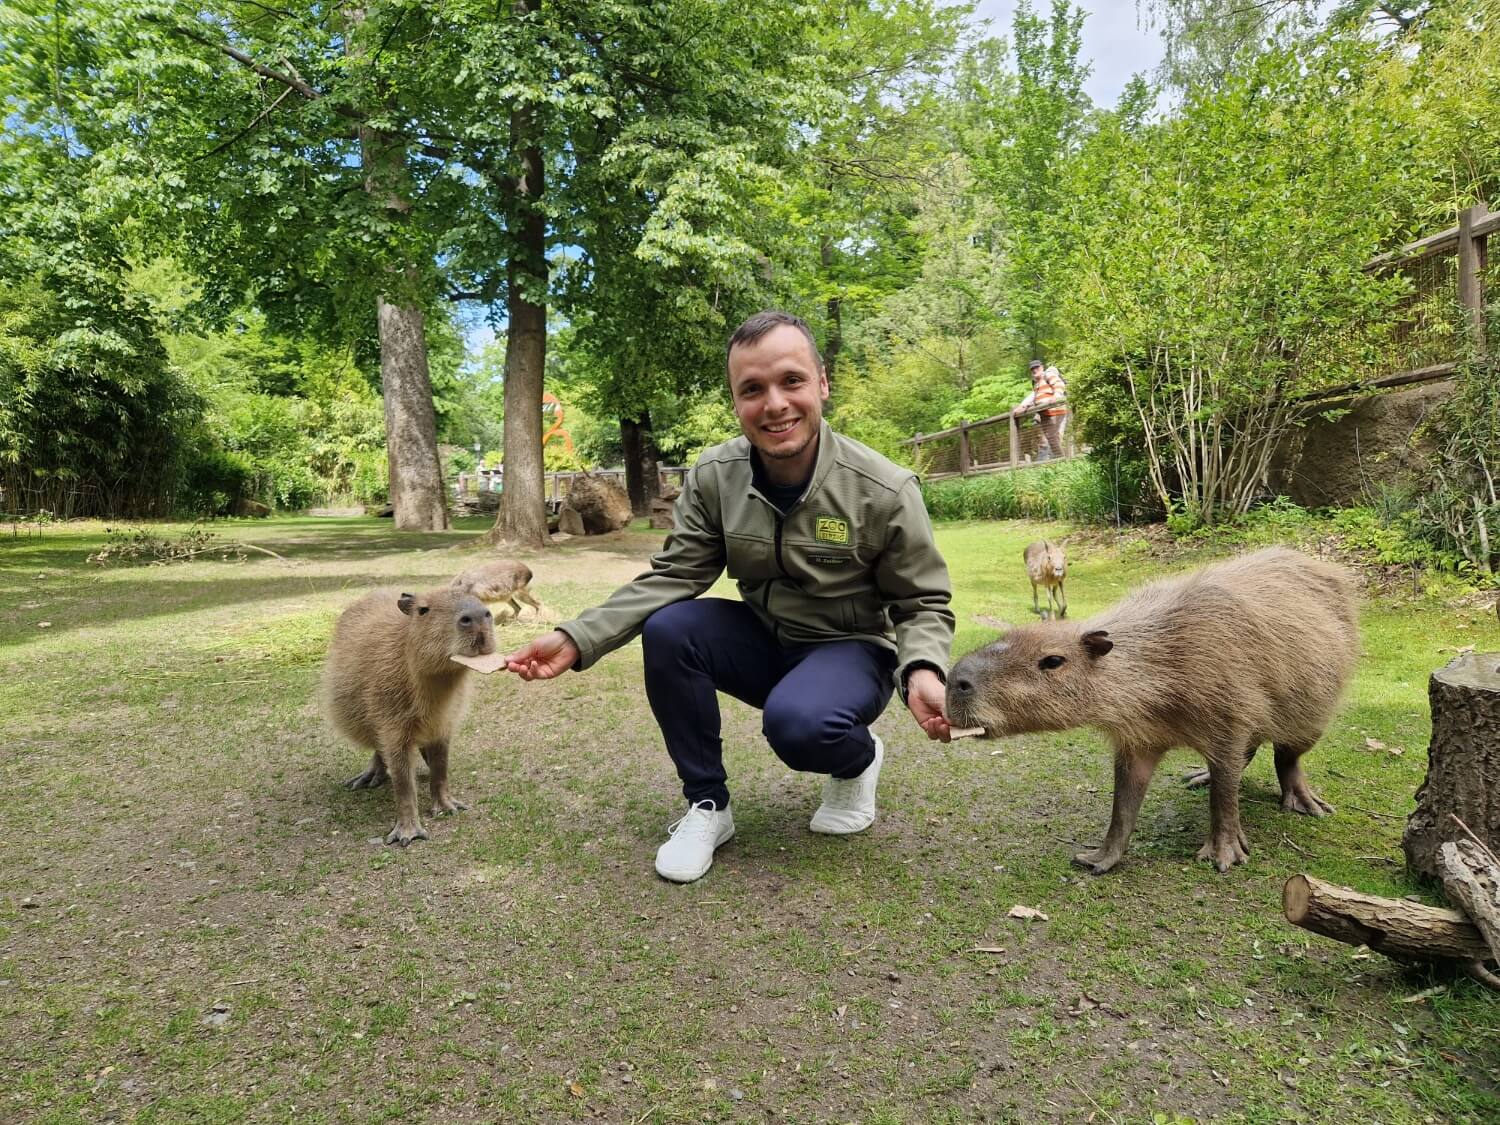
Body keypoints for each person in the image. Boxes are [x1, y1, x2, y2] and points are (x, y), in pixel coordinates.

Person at [505, 310, 956, 883]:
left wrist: (922, 669)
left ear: (821, 384)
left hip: (851, 648)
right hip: (769, 638)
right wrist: (577, 636)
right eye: (752, 389)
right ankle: (707, 806)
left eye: (791, 381)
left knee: (799, 726)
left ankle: (858, 758)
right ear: (736, 401)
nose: (774, 404)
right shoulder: (716, 475)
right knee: (671, 628)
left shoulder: (884, 489)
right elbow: (673, 577)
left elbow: (922, 603)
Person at [1012, 359, 1067, 461]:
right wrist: (1025, 406)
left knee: (1052, 438)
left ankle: (1061, 460)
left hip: (1054, 411)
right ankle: (1057, 461)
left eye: (1036, 367)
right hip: (1045, 414)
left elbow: (1059, 384)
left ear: (1042, 367)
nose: (1034, 370)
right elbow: (1036, 398)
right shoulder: (1037, 383)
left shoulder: (1048, 375)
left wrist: (1056, 396)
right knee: (1050, 439)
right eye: (1032, 369)